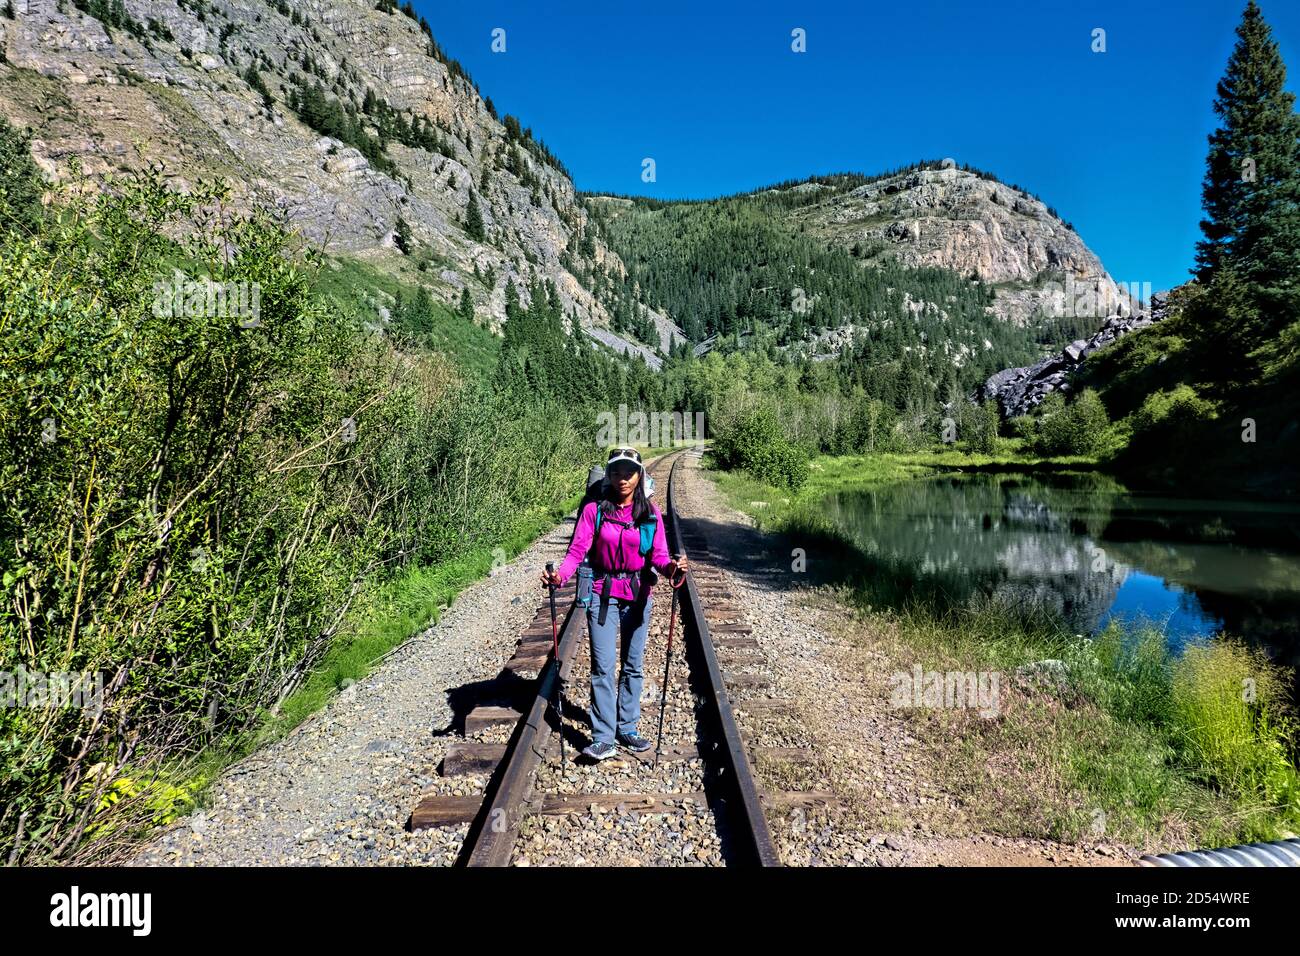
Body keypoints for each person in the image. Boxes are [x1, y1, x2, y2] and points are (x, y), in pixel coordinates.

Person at [541, 448, 687, 760]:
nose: (623, 478)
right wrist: (559, 578)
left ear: (639, 477)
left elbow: (659, 556)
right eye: (617, 472)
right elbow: (576, 552)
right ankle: (604, 736)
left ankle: (628, 728)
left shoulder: (649, 515)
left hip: (637, 595)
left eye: (629, 472)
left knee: (633, 666)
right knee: (603, 666)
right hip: (601, 594)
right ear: (609, 475)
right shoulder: (594, 511)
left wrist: (672, 569)